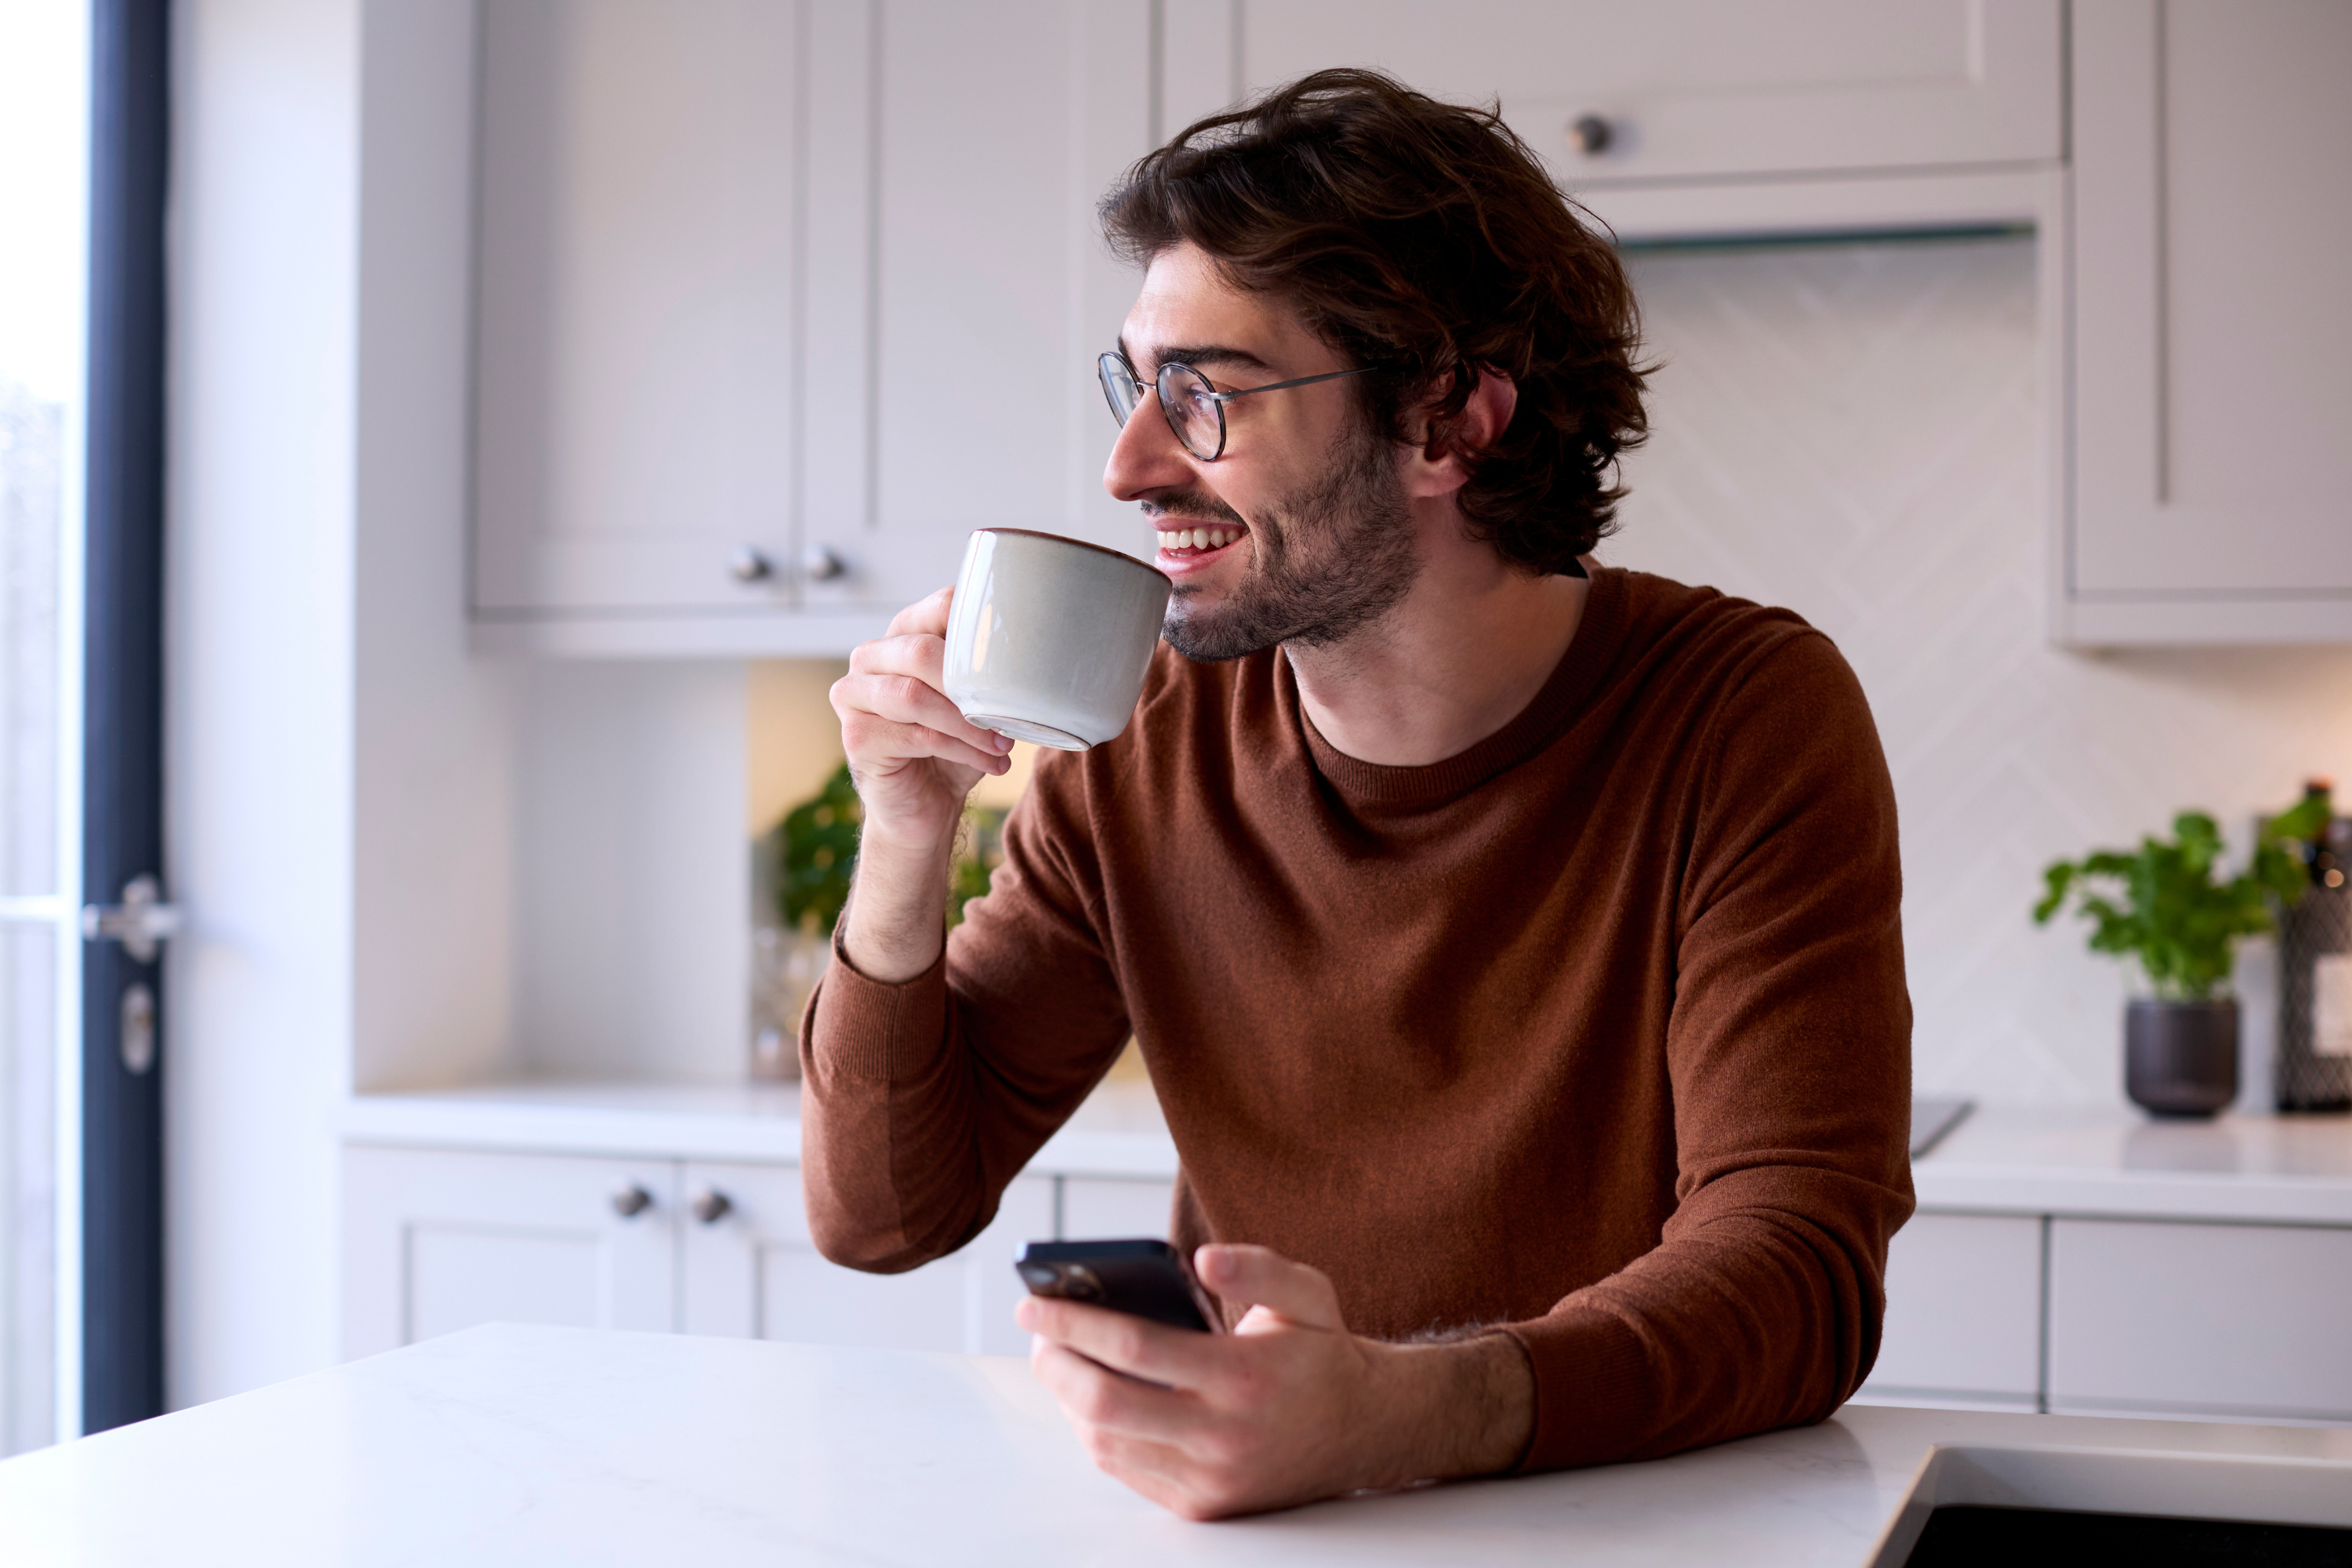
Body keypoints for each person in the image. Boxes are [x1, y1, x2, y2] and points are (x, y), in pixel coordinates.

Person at [805, 68, 1912, 1520]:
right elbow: (883, 1218)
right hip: (1279, 1522)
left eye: (1204, 395)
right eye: (1131, 385)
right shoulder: (1142, 732)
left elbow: (1800, 1271)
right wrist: (905, 835)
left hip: (1637, 1524)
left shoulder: (1738, 712)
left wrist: (1401, 1413)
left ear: (1448, 421)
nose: (1129, 463)